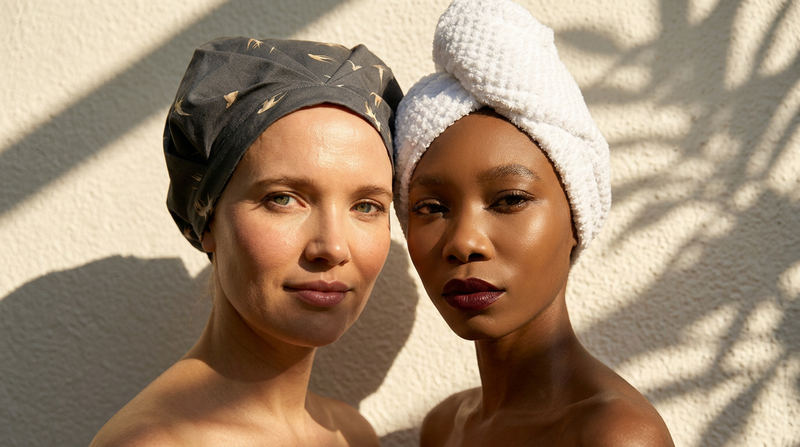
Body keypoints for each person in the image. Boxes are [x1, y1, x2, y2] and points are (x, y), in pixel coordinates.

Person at [90, 36, 402, 446]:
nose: (333, 247)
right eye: (283, 199)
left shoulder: (350, 433)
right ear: (207, 219)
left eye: (366, 206)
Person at [393, 1, 674, 445]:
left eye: (510, 200)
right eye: (431, 207)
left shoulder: (613, 434)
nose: (464, 242)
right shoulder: (445, 426)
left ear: (577, 219)